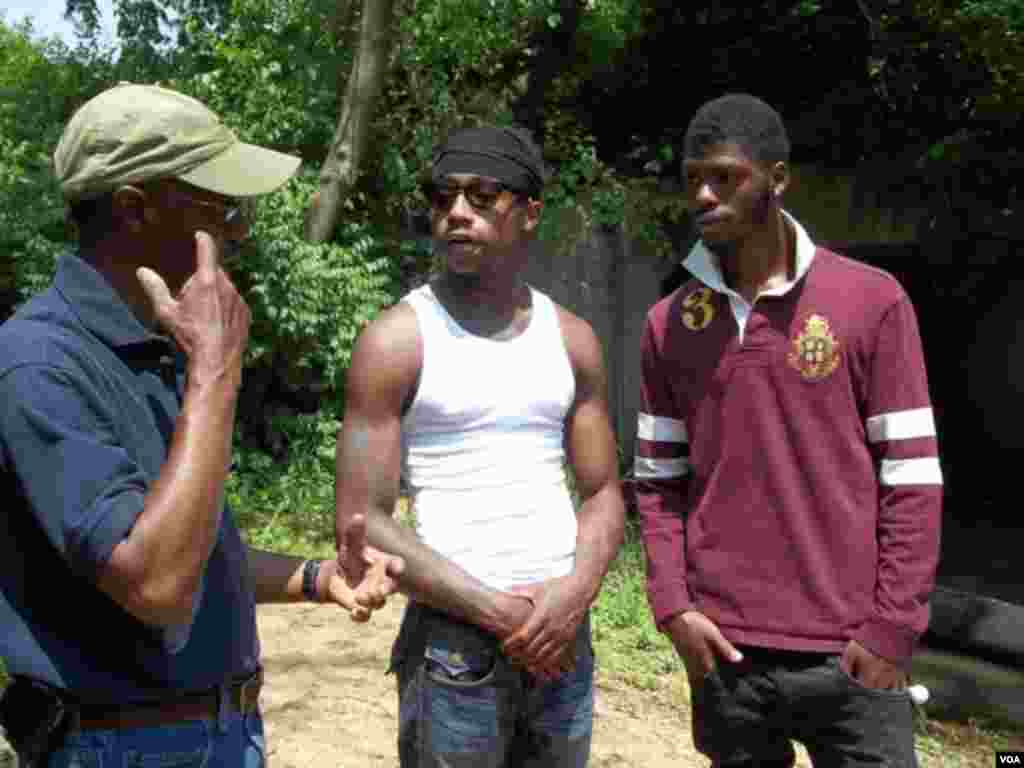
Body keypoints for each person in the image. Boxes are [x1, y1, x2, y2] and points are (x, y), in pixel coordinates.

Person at [0, 82, 401, 768]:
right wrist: (217, 375)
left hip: (213, 735)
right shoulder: (38, 364)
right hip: (121, 747)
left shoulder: (156, 346)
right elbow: (155, 584)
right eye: (223, 207)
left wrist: (312, 576)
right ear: (134, 208)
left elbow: (186, 541)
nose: (240, 230)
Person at [634, 93, 942, 767]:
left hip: (851, 655)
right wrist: (673, 607)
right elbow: (658, 484)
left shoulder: (872, 302)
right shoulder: (669, 324)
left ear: (777, 177)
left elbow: (913, 479)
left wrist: (892, 628)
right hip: (726, 653)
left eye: (725, 176)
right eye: (693, 180)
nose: (705, 195)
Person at [334, 124, 626, 767]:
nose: (457, 214)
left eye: (482, 196)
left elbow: (604, 493)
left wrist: (574, 594)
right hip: (453, 651)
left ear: (529, 212)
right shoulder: (396, 343)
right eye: (443, 198)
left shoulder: (573, 341)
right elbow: (362, 523)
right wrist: (501, 613)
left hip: (562, 641)